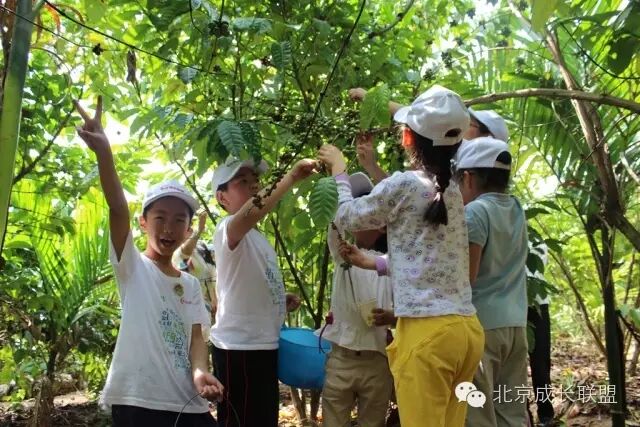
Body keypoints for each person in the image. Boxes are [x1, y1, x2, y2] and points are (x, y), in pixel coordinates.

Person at [320, 85, 485, 427]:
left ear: (407, 137)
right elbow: (422, 255)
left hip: (427, 337)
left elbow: (348, 217)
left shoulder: (407, 185)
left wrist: (339, 171)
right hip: (466, 332)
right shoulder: (451, 190)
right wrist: (375, 100)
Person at [74, 97, 223, 427]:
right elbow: (117, 209)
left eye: (179, 220)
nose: (169, 228)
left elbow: (196, 339)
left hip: (187, 401)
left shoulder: (190, 284)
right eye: (160, 217)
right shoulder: (132, 267)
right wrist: (104, 153)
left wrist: (201, 372)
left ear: (188, 229)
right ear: (143, 222)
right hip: (138, 400)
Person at [210, 155, 315, 427]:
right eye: (242, 182)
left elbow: (249, 284)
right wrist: (291, 178)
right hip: (239, 348)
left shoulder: (258, 239)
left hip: (262, 345)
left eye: (255, 180)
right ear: (222, 198)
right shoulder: (227, 228)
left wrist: (279, 300)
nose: (254, 185)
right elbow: (253, 210)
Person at [453, 137, 529, 427]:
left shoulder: (475, 212)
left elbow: (467, 277)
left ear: (468, 178)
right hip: (516, 325)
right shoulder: (516, 208)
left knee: (478, 413)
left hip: (483, 327)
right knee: (510, 412)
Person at [319, 172, 395, 427]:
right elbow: (335, 227)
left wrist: (392, 317)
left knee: (373, 421)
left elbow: (407, 304)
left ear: (382, 224)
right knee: (334, 420)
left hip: (377, 360)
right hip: (342, 358)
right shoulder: (344, 254)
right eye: (355, 211)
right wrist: (339, 179)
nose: (357, 218)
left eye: (366, 213)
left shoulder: (390, 263)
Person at [527, 243, 555, 426]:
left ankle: (545, 415)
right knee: (513, 361)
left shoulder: (538, 243)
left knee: (540, 363)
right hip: (513, 302)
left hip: (536, 303)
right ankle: (524, 415)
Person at [173, 210, 217, 323]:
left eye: (191, 224)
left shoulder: (201, 247)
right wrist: (199, 230)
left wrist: (216, 299)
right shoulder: (175, 251)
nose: (190, 227)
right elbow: (184, 253)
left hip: (214, 306)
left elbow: (213, 274)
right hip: (194, 308)